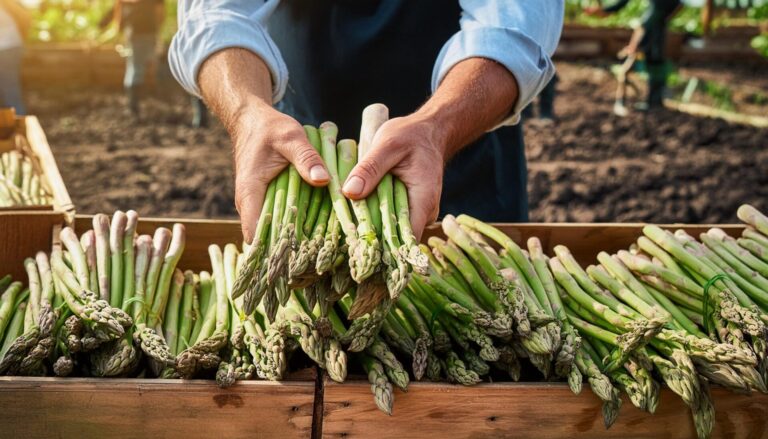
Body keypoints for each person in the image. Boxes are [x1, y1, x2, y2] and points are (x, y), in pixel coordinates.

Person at [169, 1, 564, 242]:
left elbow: (512, 25)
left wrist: (436, 127)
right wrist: (246, 113)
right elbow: (216, 15)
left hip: (459, 153)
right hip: (301, 167)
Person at [587, 0, 682, 111]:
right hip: (650, 32)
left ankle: (654, 101)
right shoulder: (652, 17)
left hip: (652, 32)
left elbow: (677, 6)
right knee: (635, 67)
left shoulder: (655, 16)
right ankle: (627, 102)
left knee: (653, 63)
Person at [115, 0, 165, 118]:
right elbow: (161, 14)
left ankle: (134, 106)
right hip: (147, 31)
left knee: (136, 67)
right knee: (140, 66)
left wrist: (120, 28)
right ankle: (135, 106)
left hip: (135, 32)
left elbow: (119, 10)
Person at [0, 0, 29, 115]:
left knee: (9, 90)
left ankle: (18, 126)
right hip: (12, 46)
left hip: (5, 49)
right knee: (9, 89)